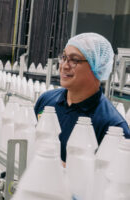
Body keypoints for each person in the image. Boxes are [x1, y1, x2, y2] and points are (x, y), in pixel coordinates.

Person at [34, 33, 130, 162]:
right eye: (64, 57)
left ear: (96, 65)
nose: (64, 66)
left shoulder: (113, 126)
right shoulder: (47, 100)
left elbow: (114, 178)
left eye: (74, 60)